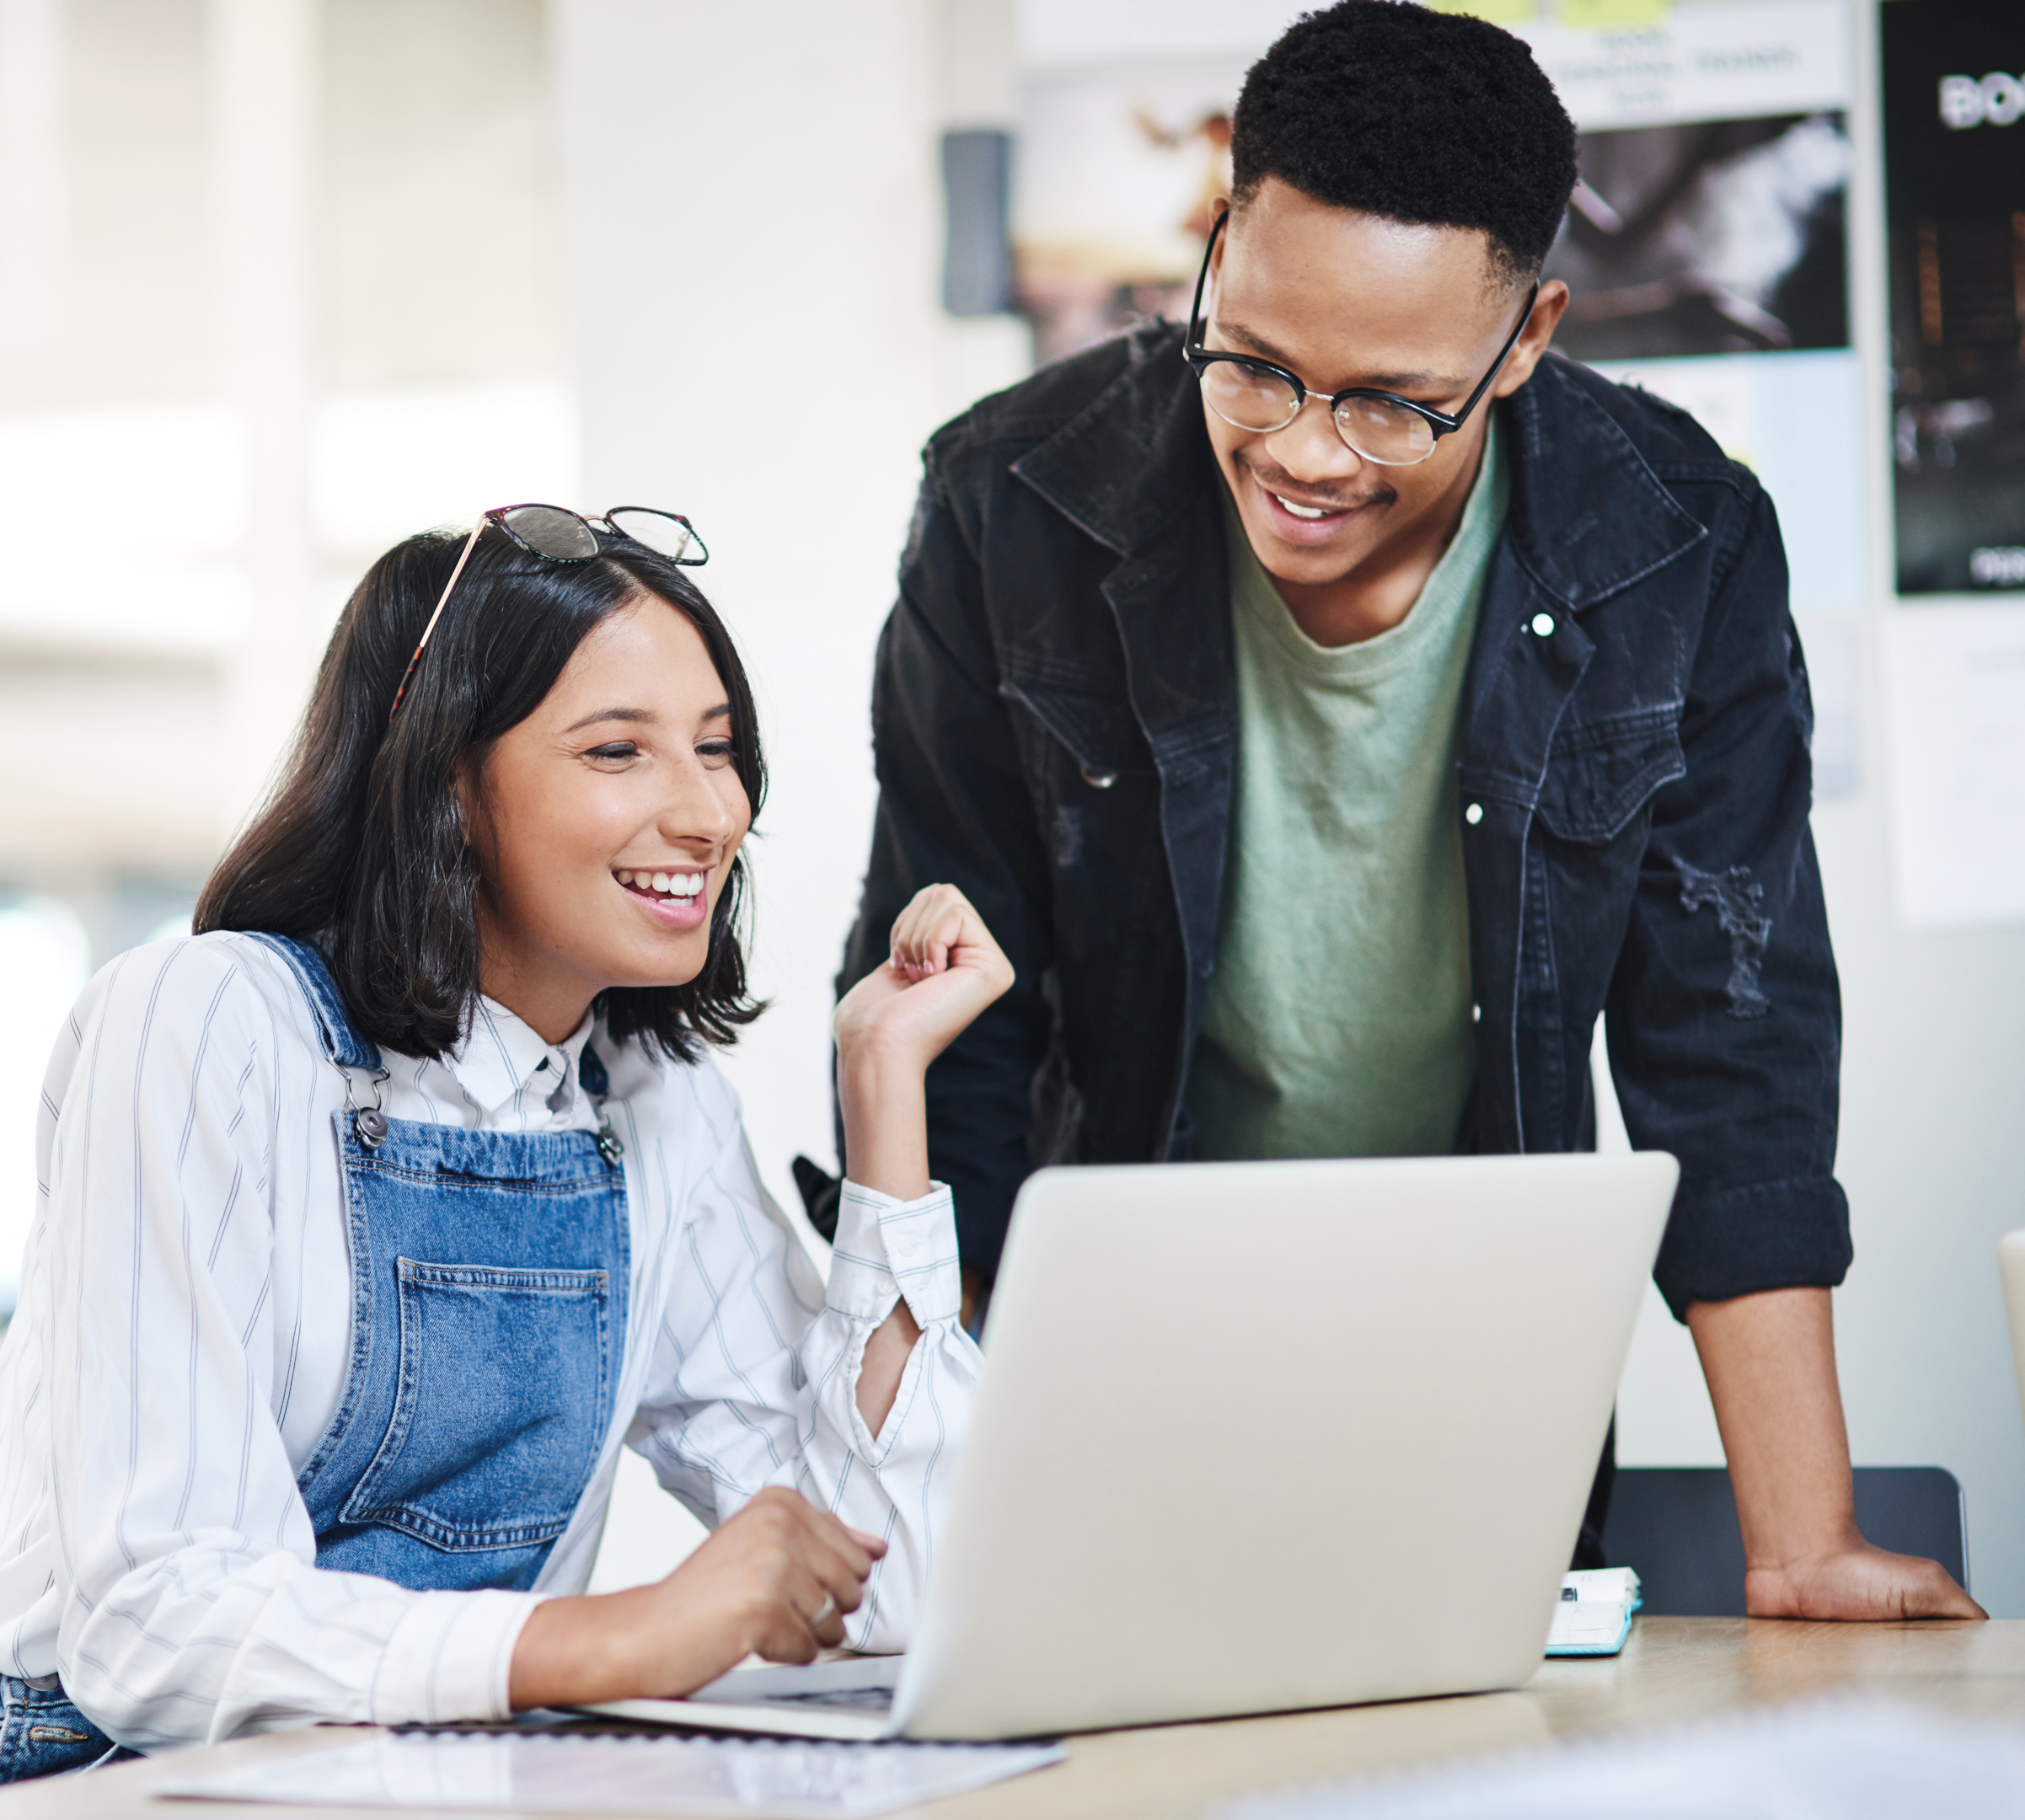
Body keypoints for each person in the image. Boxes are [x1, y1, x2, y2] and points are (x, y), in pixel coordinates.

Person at [834, 0, 1982, 1620]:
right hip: (1100, 1367)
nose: (1304, 453)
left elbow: (1734, 1052)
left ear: (1527, 338)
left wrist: (1799, 1544)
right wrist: (916, 1524)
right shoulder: (1009, 502)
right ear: (1221, 237)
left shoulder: (1677, 542)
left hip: (1481, 1388)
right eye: (1258, 363)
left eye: (1391, 400)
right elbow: (955, 1039)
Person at [0, 506, 1012, 1796]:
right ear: (452, 787)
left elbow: (896, 1579)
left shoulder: (652, 1101)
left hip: (414, 1782)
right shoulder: (204, 1023)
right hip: (82, 1776)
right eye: (617, 751)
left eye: (715, 749)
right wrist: (604, 1639)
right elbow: (155, 1620)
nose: (707, 813)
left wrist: (887, 1100)